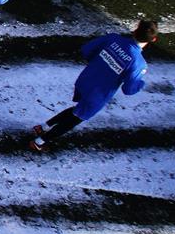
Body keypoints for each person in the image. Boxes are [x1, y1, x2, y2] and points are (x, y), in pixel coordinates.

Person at [30, 20, 157, 151]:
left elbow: (86, 50)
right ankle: (39, 142)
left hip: (84, 80)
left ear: (135, 31)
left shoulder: (113, 38)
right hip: (97, 95)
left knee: (77, 110)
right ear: (153, 39)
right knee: (76, 118)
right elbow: (128, 90)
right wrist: (140, 83)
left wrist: (99, 63)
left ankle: (43, 127)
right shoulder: (139, 64)